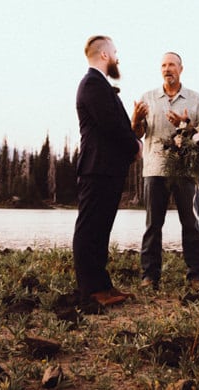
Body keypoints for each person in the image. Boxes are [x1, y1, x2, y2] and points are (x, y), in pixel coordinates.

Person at [132, 52, 199, 290]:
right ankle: (149, 277)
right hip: (155, 169)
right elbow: (137, 134)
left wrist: (186, 126)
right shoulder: (147, 98)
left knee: (191, 223)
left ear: (181, 69)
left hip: (186, 170)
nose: (168, 69)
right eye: (164, 65)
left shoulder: (196, 100)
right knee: (153, 225)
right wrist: (135, 119)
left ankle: (196, 274)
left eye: (172, 65)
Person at [73, 35, 141, 307]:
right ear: (104, 55)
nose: (117, 57)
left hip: (107, 168)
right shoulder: (92, 84)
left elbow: (114, 124)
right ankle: (90, 290)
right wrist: (135, 145)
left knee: (101, 229)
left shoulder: (100, 84)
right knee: (90, 228)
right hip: (97, 167)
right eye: (115, 52)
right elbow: (111, 124)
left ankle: (102, 285)